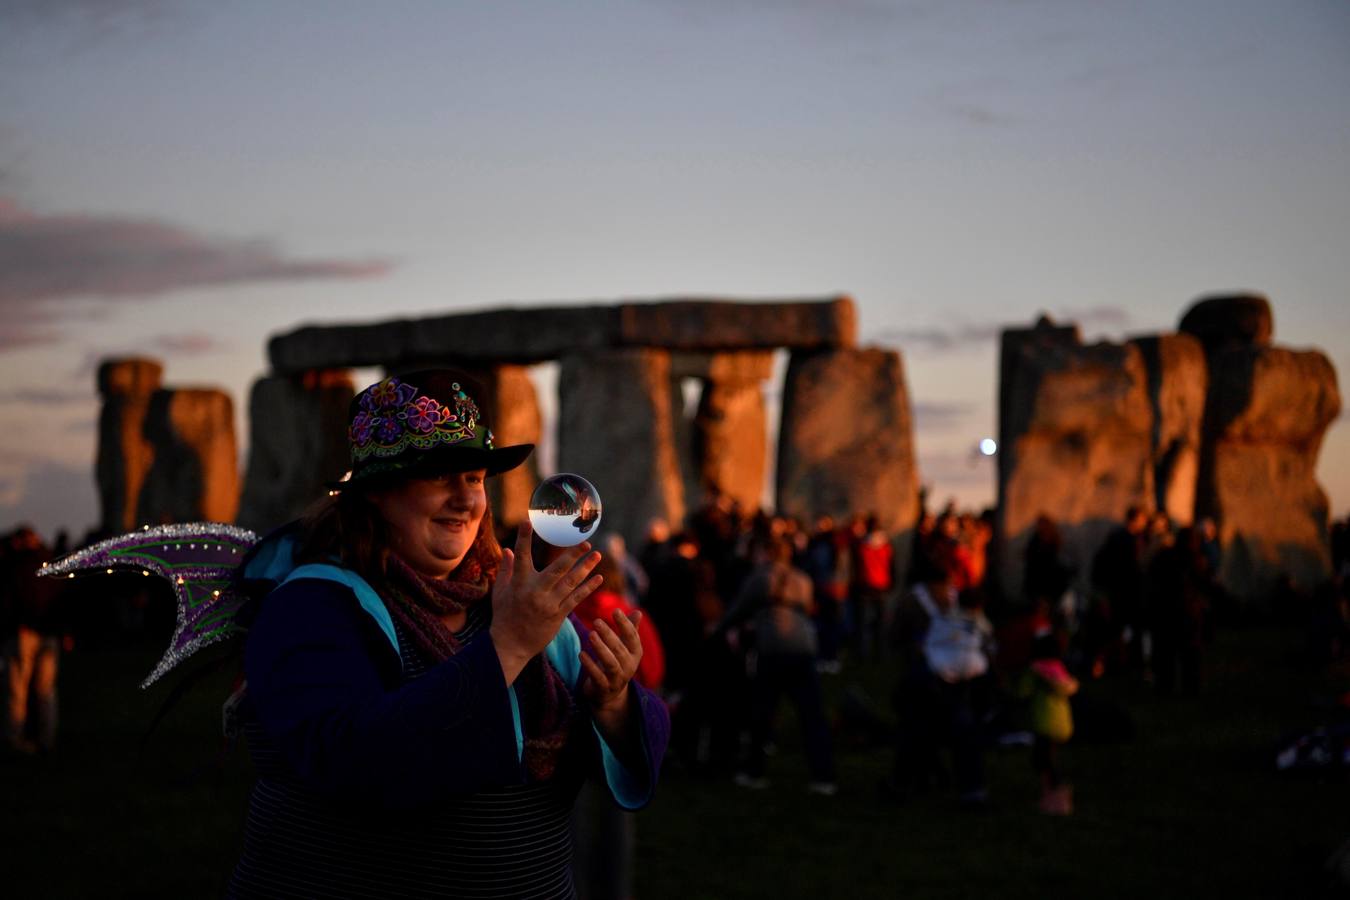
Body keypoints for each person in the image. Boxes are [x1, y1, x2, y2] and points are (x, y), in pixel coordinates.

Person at [228, 370, 669, 899]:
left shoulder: (507, 595)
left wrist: (612, 700)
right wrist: (506, 649)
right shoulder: (310, 607)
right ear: (376, 492)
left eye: (476, 478)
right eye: (441, 477)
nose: (466, 500)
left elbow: (626, 740)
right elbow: (356, 762)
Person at [721, 536, 836, 795]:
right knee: (812, 715)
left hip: (772, 646)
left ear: (767, 552)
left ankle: (754, 771)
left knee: (762, 713)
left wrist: (718, 631)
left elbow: (739, 610)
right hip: (804, 647)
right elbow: (805, 608)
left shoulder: (761, 577)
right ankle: (823, 776)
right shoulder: (803, 579)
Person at [2, 526, 61, 754]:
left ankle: (15, 738)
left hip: (25, 633)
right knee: (46, 691)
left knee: (17, 688)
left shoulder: (17, 566)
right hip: (49, 633)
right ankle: (46, 738)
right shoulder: (51, 563)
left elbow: (10, 600)